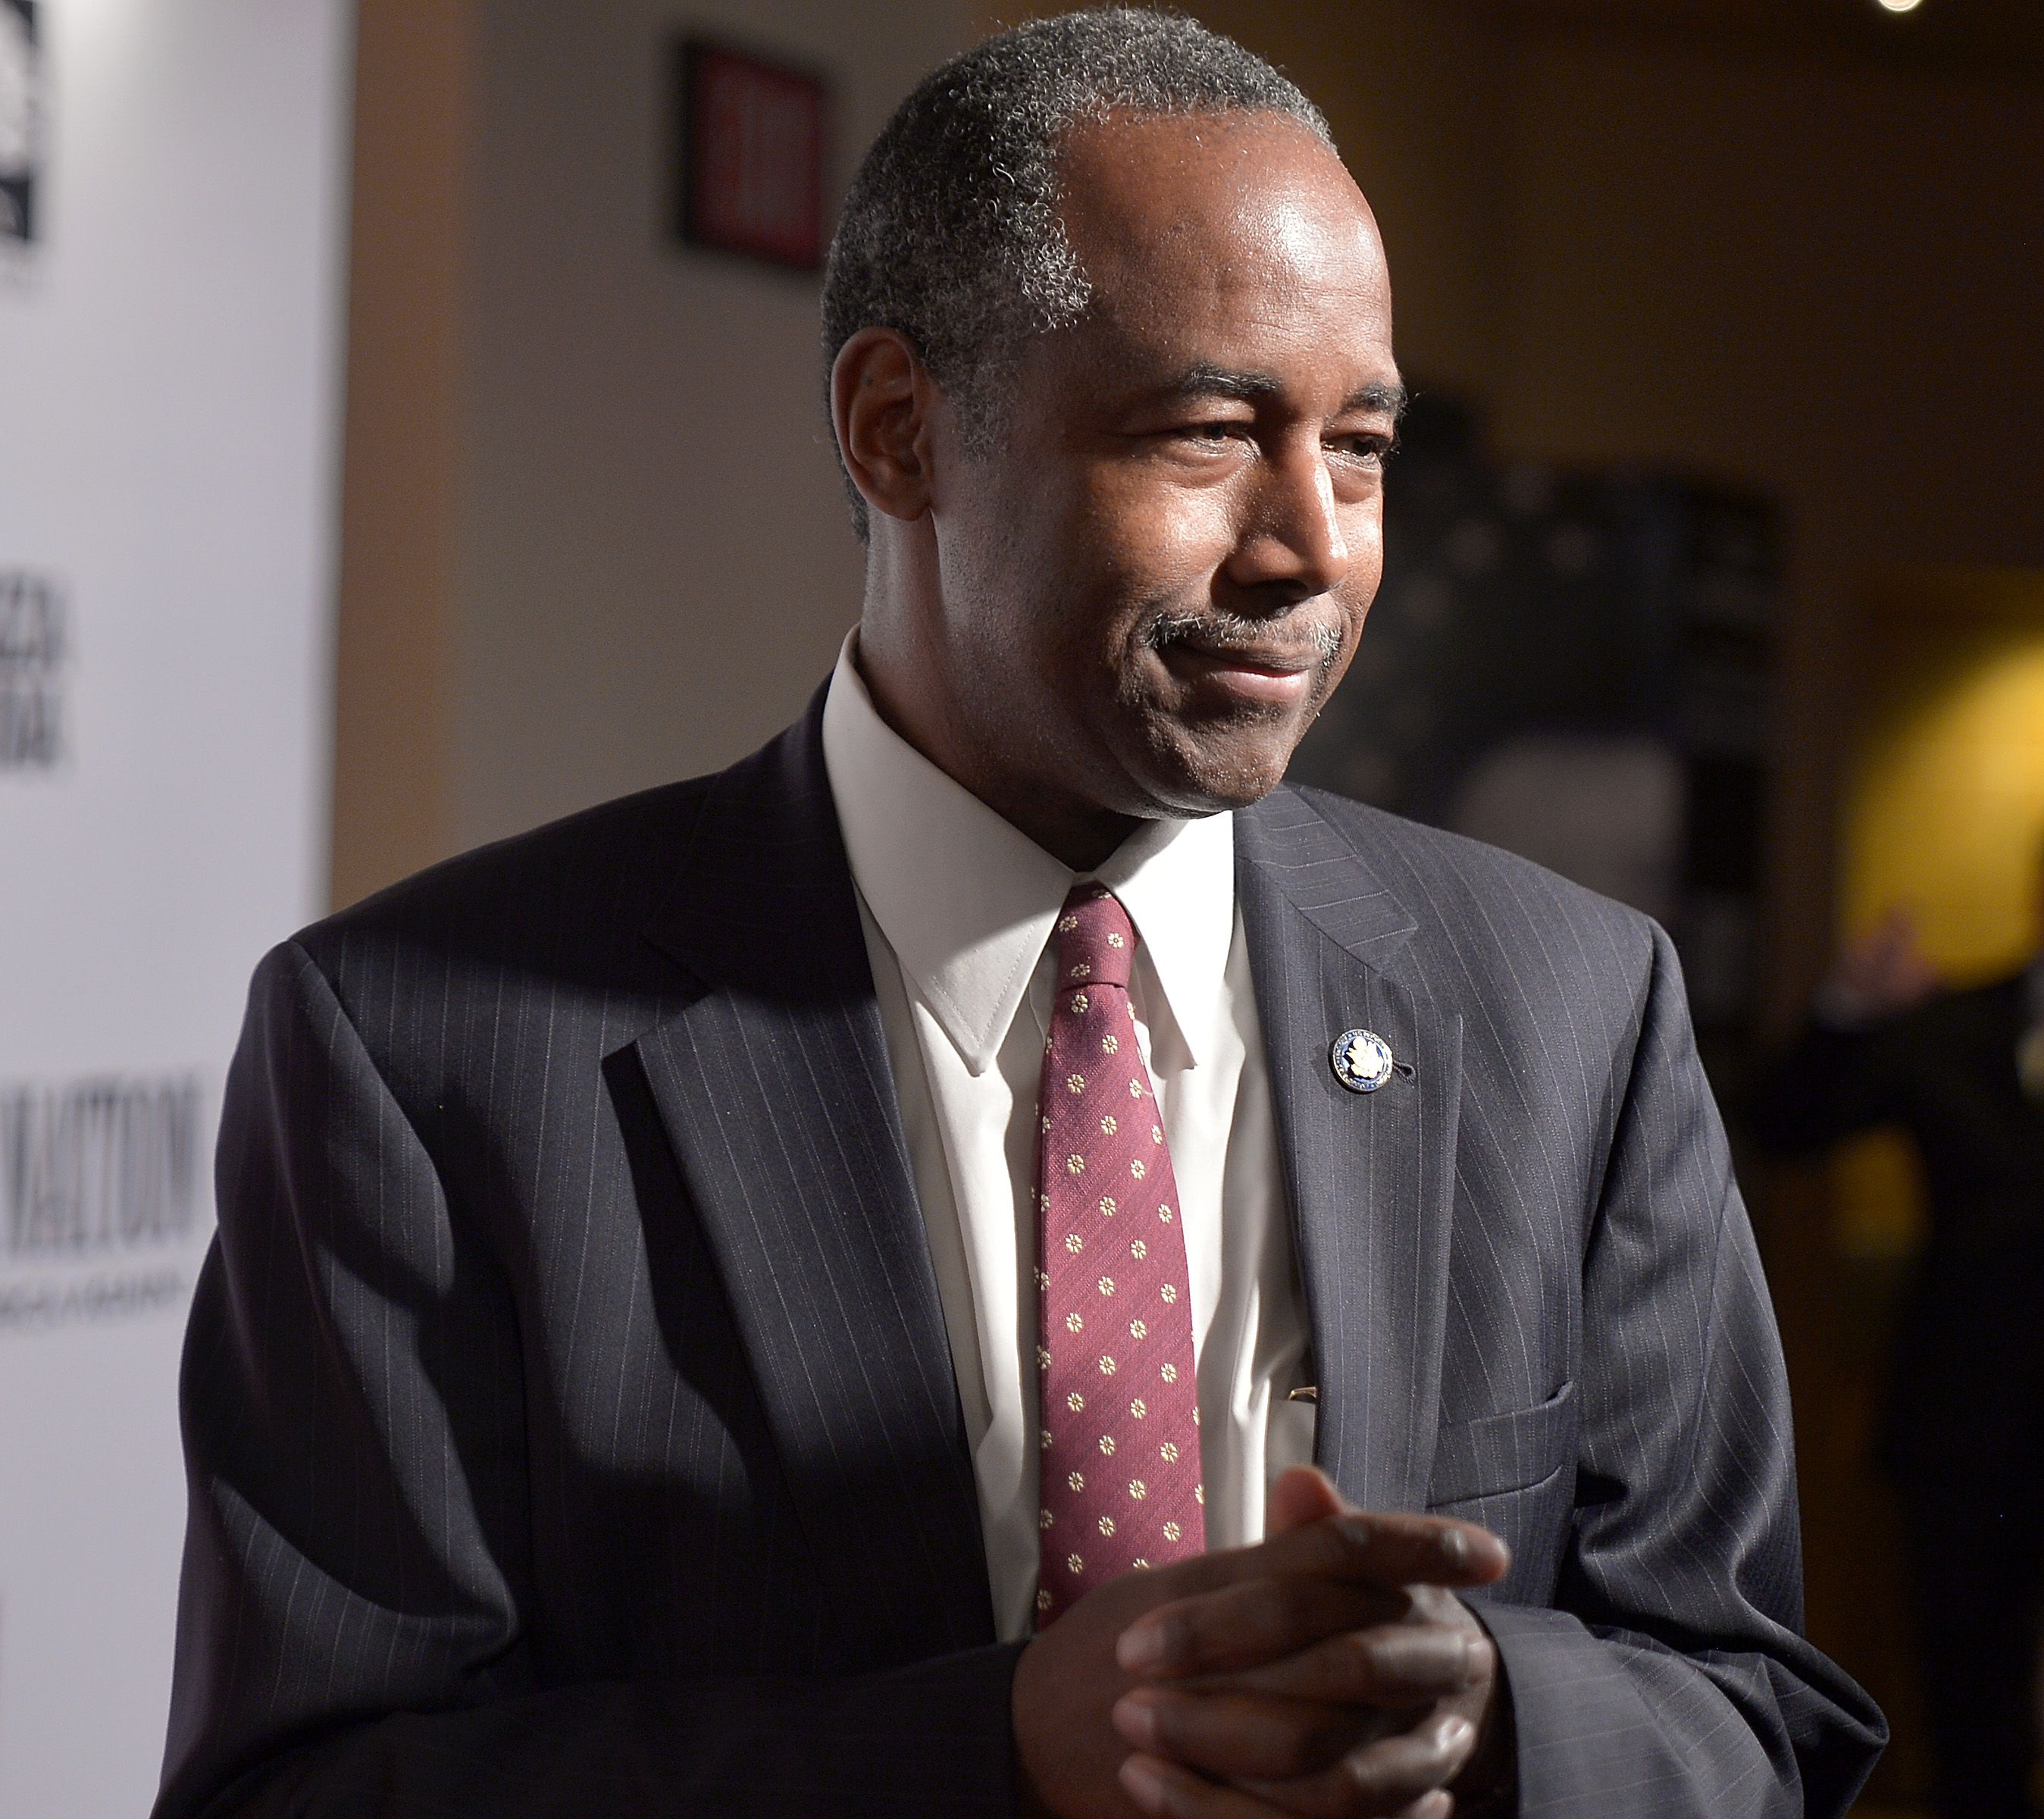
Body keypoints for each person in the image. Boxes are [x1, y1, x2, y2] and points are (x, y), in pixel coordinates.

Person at [152, 13, 1883, 1817]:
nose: (1312, 546)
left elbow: (1755, 1712)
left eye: (1361, 446)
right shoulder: (427, 1048)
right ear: (898, 431)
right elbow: (304, 1788)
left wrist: (1497, 1716)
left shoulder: (1569, 1006)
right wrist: (992, 1749)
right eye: (1210, 430)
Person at [1752, 895, 2044, 1819]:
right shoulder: (1950, 1022)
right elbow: (1785, 1125)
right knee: (1969, 1699)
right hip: (1972, 1416)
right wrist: (1846, 1010)